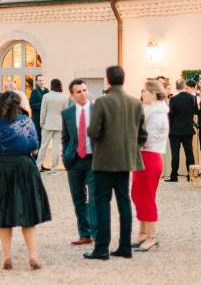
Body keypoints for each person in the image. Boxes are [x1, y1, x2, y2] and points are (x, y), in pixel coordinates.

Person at [0, 90, 50, 270]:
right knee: (28, 214)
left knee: (3, 214)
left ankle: (7, 257)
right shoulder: (25, 121)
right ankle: (33, 255)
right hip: (23, 166)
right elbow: (34, 144)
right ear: (18, 104)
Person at [84, 65, 147, 261]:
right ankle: (125, 247)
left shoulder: (102, 102)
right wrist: (129, 146)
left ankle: (102, 248)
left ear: (108, 80)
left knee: (102, 203)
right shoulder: (135, 103)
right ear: (124, 79)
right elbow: (143, 134)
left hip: (104, 160)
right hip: (126, 160)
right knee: (124, 203)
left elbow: (93, 131)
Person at [131, 80, 169, 252]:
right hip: (145, 157)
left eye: (145, 91)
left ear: (153, 94)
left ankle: (151, 237)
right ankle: (143, 233)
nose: (142, 94)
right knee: (138, 194)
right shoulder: (150, 112)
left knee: (145, 197)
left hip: (150, 157)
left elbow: (148, 139)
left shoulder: (157, 114)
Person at [61, 78, 96, 246]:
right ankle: (85, 234)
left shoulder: (97, 110)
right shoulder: (67, 113)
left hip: (94, 160)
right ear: (72, 95)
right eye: (79, 92)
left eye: (84, 90)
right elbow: (65, 138)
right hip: (74, 161)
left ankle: (97, 233)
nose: (83, 94)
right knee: (78, 198)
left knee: (95, 198)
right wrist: (65, 156)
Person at [166, 79, 197, 182]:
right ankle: (191, 175)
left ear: (176, 87)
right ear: (185, 86)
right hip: (188, 130)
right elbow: (195, 111)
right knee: (189, 153)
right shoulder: (192, 98)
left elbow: (170, 115)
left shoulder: (173, 99)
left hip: (175, 131)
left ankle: (174, 176)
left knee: (175, 154)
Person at [35, 79, 65, 175]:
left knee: (43, 146)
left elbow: (43, 111)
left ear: (51, 85)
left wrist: (41, 123)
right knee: (56, 148)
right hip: (59, 125)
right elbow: (65, 113)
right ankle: (54, 170)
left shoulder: (46, 96)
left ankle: (37, 167)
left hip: (47, 124)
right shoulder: (64, 97)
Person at [28, 74, 48, 145]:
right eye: (39, 81)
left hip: (45, 119)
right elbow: (31, 105)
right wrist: (43, 105)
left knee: (44, 138)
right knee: (38, 137)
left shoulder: (47, 90)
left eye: (42, 80)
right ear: (36, 82)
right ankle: (37, 155)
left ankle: (41, 155)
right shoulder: (34, 91)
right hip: (37, 118)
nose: (41, 82)